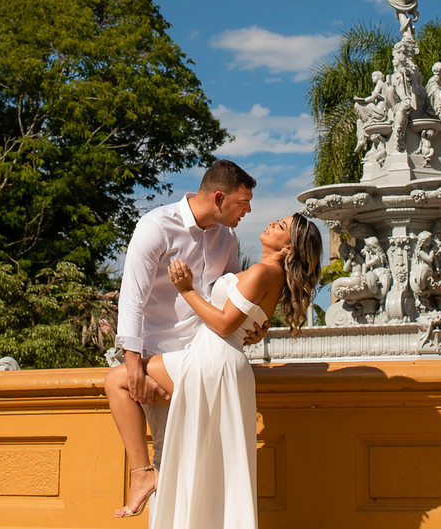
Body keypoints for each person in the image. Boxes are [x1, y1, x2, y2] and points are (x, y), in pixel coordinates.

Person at [105, 213, 323, 527]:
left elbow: (223, 324)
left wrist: (186, 289)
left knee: (119, 382)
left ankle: (142, 474)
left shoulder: (263, 271)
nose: (272, 223)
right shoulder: (270, 275)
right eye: (277, 220)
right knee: (207, 463)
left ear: (288, 247)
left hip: (212, 359)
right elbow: (242, 320)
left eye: (282, 227)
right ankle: (151, 453)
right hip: (220, 362)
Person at [108, 159, 258, 516]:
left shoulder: (229, 238)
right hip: (160, 361)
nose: (247, 211)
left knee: (204, 464)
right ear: (219, 198)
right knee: (167, 458)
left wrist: (254, 326)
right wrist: (134, 370)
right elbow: (132, 299)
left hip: (207, 363)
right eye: (242, 203)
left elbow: (232, 293)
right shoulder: (156, 226)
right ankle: (143, 477)